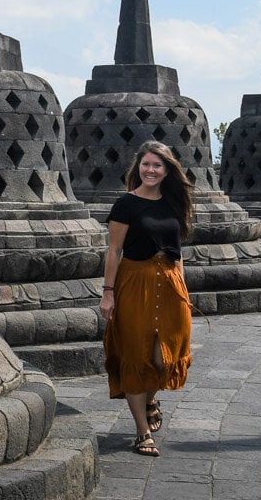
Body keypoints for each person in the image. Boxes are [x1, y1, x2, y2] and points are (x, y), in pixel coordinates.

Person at [100, 140, 194, 457]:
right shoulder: (125, 204)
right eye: (146, 164)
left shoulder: (173, 205)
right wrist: (108, 293)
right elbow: (114, 250)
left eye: (157, 165)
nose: (150, 170)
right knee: (135, 357)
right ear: (137, 168)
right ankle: (142, 431)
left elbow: (177, 252)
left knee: (164, 357)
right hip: (134, 282)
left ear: (167, 171)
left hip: (169, 284)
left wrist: (183, 290)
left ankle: (151, 398)